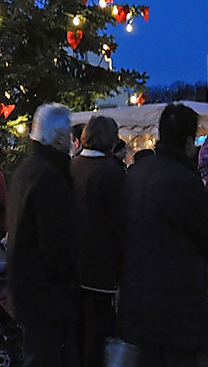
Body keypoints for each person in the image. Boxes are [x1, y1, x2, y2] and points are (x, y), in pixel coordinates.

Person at [120, 103, 208, 367]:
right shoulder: (184, 181)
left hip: (136, 297)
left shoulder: (136, 174)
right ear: (188, 140)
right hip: (177, 302)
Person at [7, 103, 79, 367]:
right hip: (46, 291)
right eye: (68, 134)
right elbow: (55, 240)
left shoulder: (28, 170)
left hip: (30, 287)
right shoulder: (50, 176)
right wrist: (68, 276)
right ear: (58, 137)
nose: (72, 141)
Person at [70, 116, 125, 367]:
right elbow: (121, 222)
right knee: (97, 334)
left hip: (72, 265)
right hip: (101, 267)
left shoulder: (71, 168)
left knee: (77, 332)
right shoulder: (112, 172)